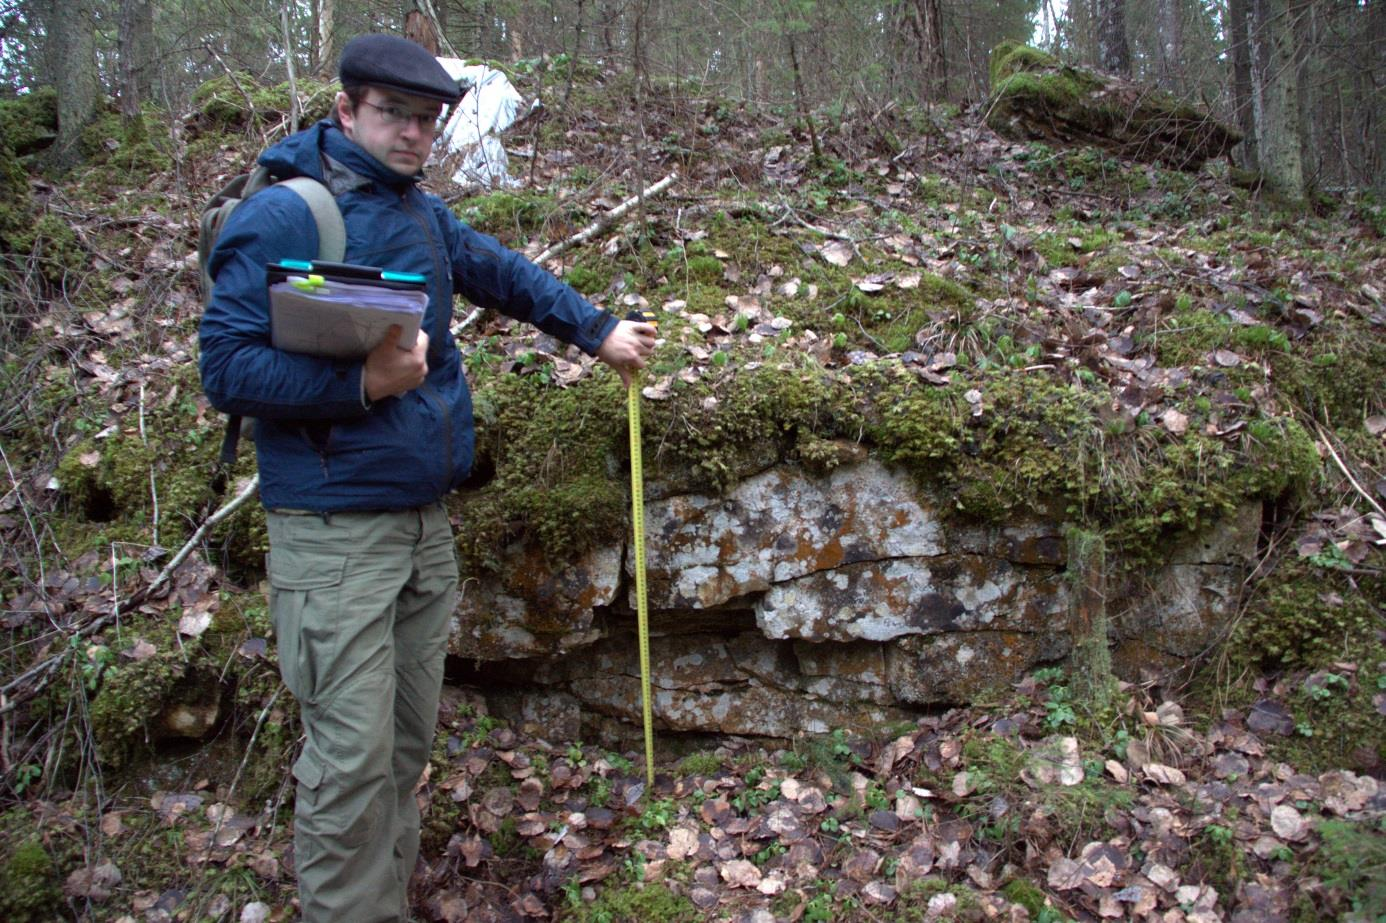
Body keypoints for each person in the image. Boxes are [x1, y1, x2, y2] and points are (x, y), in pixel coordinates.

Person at [198, 33, 656, 923]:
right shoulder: (289, 214)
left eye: (426, 119)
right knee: (349, 761)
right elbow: (224, 370)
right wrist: (359, 383)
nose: (412, 133)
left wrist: (595, 330)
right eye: (393, 114)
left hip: (419, 525)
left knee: (403, 749)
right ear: (346, 111)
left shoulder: (418, 212)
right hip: (333, 539)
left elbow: (502, 274)